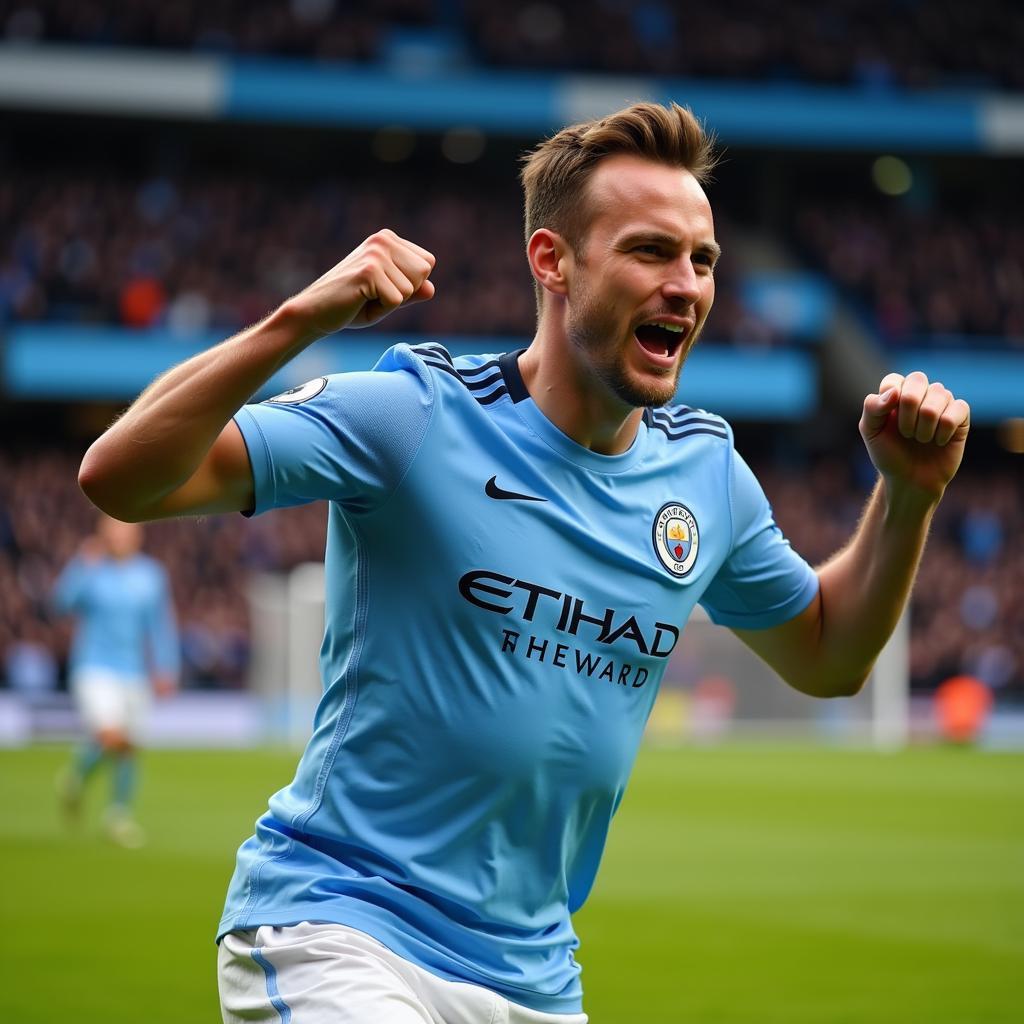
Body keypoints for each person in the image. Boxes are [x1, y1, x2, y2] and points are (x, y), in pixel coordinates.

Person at [77, 102, 970, 1022]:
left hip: (534, 978)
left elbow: (829, 655)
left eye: (702, 260)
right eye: (650, 251)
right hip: (340, 930)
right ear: (554, 261)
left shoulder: (707, 477)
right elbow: (122, 479)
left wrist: (909, 496)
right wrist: (303, 318)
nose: (688, 286)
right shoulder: (415, 413)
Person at [53, 514, 179, 848]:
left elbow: (160, 625)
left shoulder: (151, 575)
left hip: (134, 671)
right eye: (114, 532)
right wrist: (82, 565)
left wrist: (166, 666)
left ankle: (116, 814)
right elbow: (60, 604)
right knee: (113, 737)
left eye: (125, 531)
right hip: (94, 668)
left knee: (129, 747)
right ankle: (79, 774)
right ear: (103, 535)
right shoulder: (92, 569)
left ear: (137, 535)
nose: (120, 537)